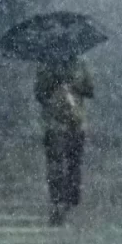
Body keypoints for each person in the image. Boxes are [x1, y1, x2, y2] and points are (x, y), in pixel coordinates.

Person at [34, 55, 94, 226]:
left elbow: (90, 90)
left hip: (76, 122)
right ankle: (57, 201)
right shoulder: (44, 65)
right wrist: (54, 82)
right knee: (56, 164)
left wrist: (75, 84)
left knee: (73, 163)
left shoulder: (81, 63)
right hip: (54, 123)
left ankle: (69, 200)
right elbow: (39, 93)